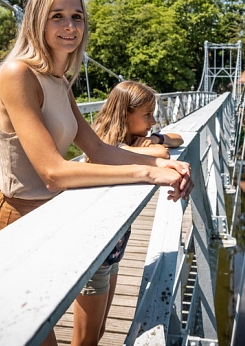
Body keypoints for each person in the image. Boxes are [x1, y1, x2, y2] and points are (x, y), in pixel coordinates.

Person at [0, 0, 192, 346]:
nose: (70, 26)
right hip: (15, 223)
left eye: (77, 16)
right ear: (37, 22)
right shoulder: (18, 75)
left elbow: (100, 150)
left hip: (53, 222)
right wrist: (145, 172)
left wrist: (162, 167)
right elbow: (54, 172)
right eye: (57, 16)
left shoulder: (59, 81)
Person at [74, 81, 185, 345]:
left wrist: (154, 138)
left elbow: (174, 139)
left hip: (113, 247)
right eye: (147, 115)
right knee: (86, 339)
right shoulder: (104, 145)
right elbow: (162, 153)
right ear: (125, 114)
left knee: (98, 333)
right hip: (95, 251)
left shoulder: (128, 141)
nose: (153, 120)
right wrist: (153, 146)